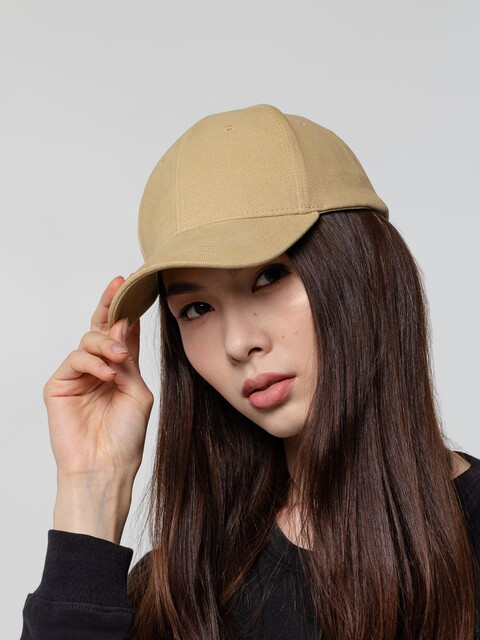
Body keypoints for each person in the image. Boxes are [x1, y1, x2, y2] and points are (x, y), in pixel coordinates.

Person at [20, 104, 480, 640]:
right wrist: (92, 488)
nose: (238, 343)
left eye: (268, 277)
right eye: (196, 309)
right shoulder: (180, 593)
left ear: (366, 270)